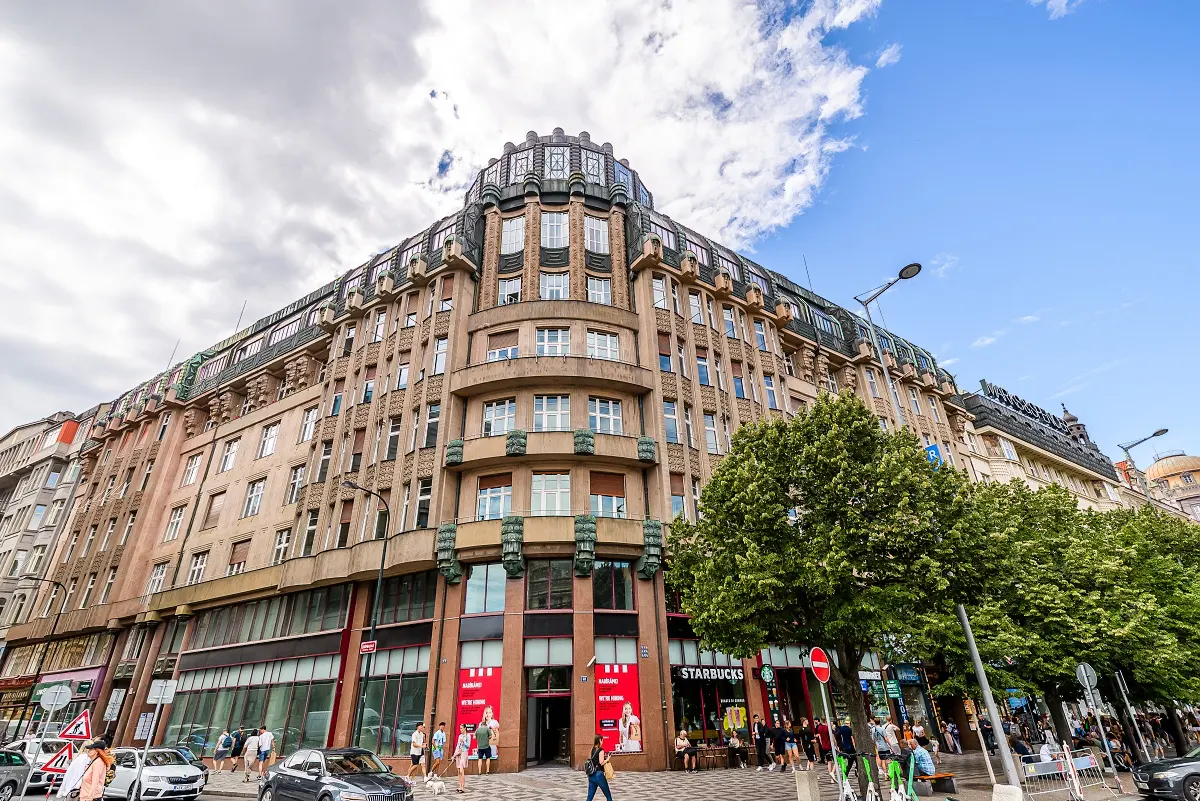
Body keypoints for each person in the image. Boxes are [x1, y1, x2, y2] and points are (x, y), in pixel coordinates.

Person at [586, 735, 614, 801]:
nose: (602, 742)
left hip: (591, 775)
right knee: (608, 796)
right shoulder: (601, 750)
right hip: (599, 775)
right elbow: (601, 762)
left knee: (589, 797)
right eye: (602, 740)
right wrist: (607, 759)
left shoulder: (593, 749)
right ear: (599, 740)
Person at [452, 723, 471, 794]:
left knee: (461, 770)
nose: (461, 730)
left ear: (465, 728)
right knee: (458, 770)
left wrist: (464, 741)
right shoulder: (460, 736)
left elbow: (468, 745)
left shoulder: (468, 736)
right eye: (460, 728)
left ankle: (463, 787)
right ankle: (459, 785)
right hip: (458, 753)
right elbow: (457, 745)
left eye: (462, 728)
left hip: (464, 753)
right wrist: (454, 755)